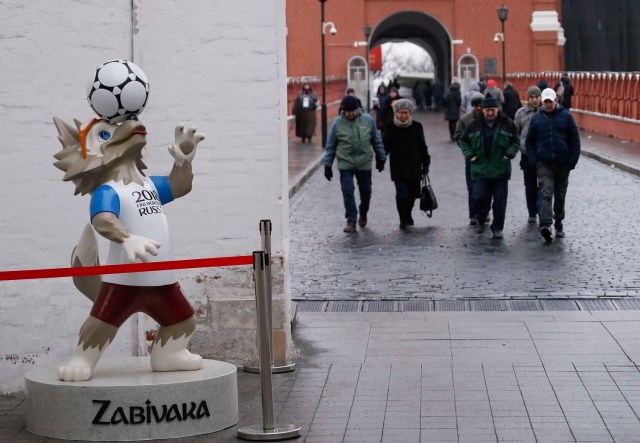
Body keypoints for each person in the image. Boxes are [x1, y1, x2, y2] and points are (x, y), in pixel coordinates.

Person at [323, 95, 387, 233]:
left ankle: (363, 212)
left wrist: (381, 158)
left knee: (366, 191)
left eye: (353, 110)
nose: (351, 113)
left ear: (357, 109)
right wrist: (327, 165)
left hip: (364, 162)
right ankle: (351, 220)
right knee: (347, 191)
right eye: (348, 111)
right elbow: (331, 145)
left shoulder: (367, 120)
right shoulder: (337, 123)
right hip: (345, 163)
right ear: (343, 111)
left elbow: (376, 140)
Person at [458, 96, 519, 239]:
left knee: (499, 201)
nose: (490, 113)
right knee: (478, 196)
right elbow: (464, 142)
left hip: (500, 169)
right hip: (480, 168)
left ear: (497, 109)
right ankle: (481, 217)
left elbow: (516, 141)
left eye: (492, 110)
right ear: (483, 111)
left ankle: (497, 228)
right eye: (487, 111)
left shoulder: (508, 123)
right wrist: (470, 156)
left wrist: (509, 154)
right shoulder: (474, 124)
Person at [525, 88, 581, 242]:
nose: (548, 104)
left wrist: (572, 161)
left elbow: (575, 141)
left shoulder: (566, 117)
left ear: (555, 100)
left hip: (563, 164)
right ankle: (545, 225)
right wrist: (534, 160)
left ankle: (559, 223)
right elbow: (529, 142)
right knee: (546, 193)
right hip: (544, 163)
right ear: (543, 102)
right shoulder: (536, 119)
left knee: (560, 196)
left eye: (550, 101)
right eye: (546, 102)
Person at [382, 99, 431, 230]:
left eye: (406, 113)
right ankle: (403, 219)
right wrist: (381, 160)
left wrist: (426, 163)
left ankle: (408, 213)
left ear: (410, 113)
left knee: (413, 194)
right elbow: (385, 146)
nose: (403, 115)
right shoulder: (390, 127)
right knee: (401, 193)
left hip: (415, 166)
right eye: (401, 113)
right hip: (398, 167)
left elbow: (423, 146)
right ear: (396, 113)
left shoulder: (417, 126)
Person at [514, 85, 542, 224]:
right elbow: (516, 132)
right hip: (527, 155)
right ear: (528, 98)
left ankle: (542, 210)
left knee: (544, 184)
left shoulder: (546, 111)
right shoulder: (521, 113)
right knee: (530, 185)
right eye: (532, 97)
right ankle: (532, 212)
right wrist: (521, 146)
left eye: (537, 97)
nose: (534, 100)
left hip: (543, 155)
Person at [454, 92, 484, 225]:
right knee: (472, 187)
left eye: (481, 105)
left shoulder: (489, 118)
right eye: (476, 106)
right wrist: (467, 151)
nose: (479, 108)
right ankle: (473, 213)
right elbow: (459, 136)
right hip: (471, 158)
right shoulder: (465, 119)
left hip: (486, 158)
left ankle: (483, 212)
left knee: (485, 187)